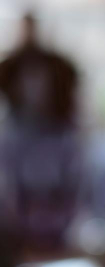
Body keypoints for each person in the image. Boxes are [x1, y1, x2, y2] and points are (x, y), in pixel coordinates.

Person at [0, 13, 82, 252]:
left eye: (40, 80)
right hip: (18, 241)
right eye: (28, 81)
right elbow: (8, 197)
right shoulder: (10, 139)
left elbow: (78, 192)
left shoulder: (67, 139)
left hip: (60, 240)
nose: (34, 90)